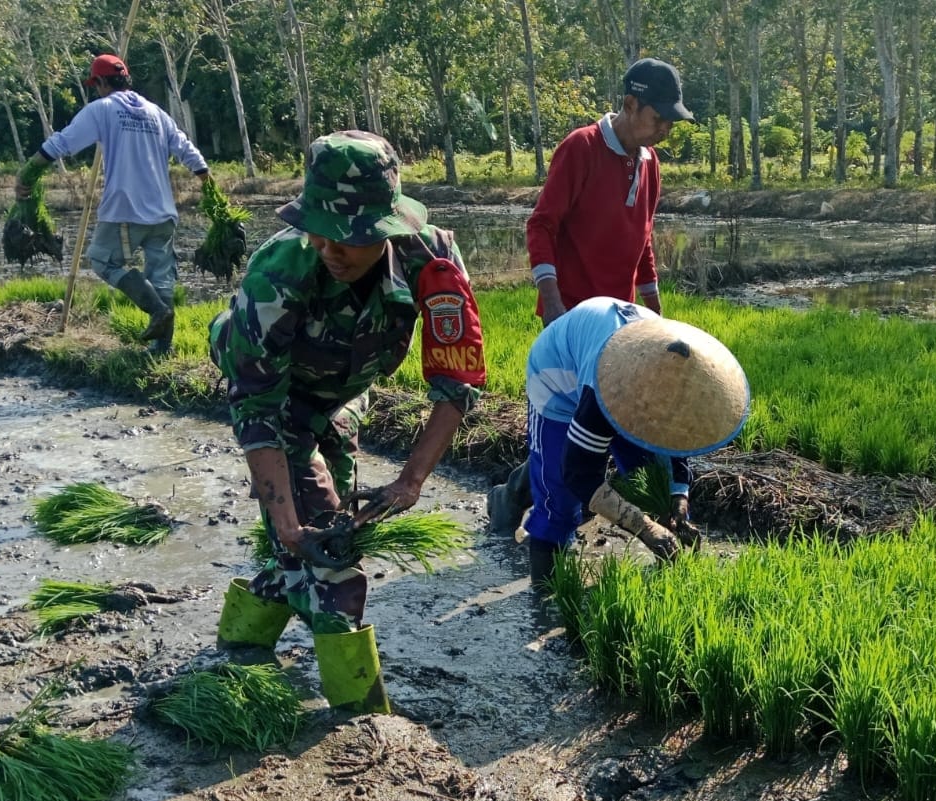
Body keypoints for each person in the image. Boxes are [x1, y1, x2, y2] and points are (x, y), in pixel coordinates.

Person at [208, 131, 487, 715]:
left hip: (342, 396)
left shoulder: (431, 262)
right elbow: (256, 409)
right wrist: (284, 520)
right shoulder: (277, 276)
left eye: (353, 237)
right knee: (333, 559)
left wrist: (410, 482)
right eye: (323, 230)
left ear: (388, 230)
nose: (334, 248)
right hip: (276, 393)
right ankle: (360, 719)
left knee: (310, 544)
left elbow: (455, 384)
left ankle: (238, 647)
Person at [487, 57, 696, 535]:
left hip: (621, 323)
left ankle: (519, 493)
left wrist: (654, 308)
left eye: (670, 120)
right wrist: (552, 299)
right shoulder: (580, 149)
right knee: (575, 425)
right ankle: (533, 502)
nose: (665, 129)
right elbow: (541, 224)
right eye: (658, 117)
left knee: (611, 424)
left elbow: (643, 237)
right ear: (629, 104)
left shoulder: (649, 163)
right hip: (573, 319)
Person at [522, 296, 748, 591]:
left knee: (649, 476)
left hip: (612, 349)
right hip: (556, 381)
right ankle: (545, 595)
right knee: (559, 497)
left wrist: (678, 497)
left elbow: (676, 441)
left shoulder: (675, 377)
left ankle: (671, 578)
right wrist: (643, 527)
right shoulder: (601, 393)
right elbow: (579, 474)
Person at [14, 53, 210, 355]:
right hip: (163, 211)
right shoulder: (155, 112)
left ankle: (157, 310)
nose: (97, 90)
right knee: (161, 276)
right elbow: (187, 150)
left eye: (96, 85)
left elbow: (60, 143)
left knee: (103, 261)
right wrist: (209, 186)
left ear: (102, 82)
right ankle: (162, 348)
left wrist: (28, 172)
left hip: (125, 209)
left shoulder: (103, 109)